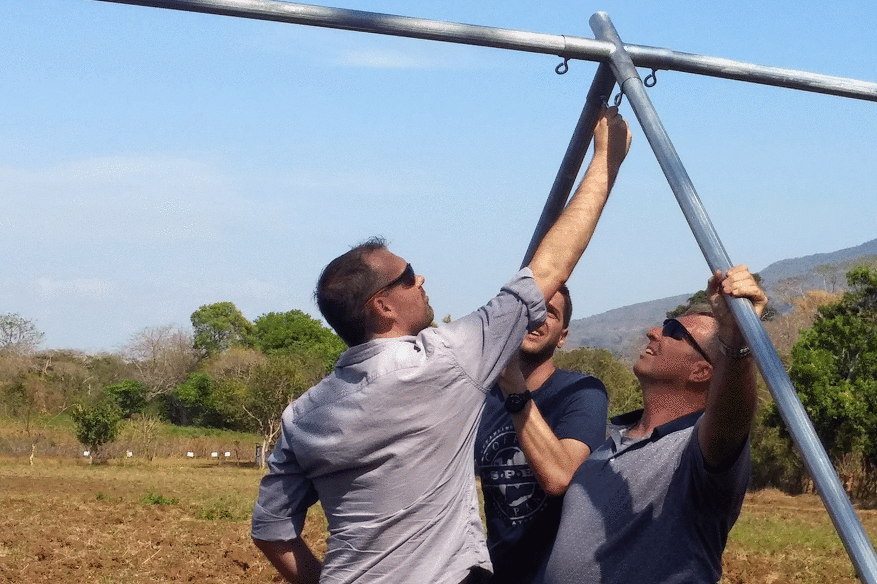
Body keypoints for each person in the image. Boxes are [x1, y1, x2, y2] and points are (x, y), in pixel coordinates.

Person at [249, 107, 631, 584]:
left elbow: (270, 530)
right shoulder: (444, 360)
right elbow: (550, 269)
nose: (421, 278)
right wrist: (606, 161)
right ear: (383, 307)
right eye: (408, 277)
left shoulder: (304, 414)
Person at [535, 264, 767, 584]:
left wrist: (737, 342)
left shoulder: (697, 451)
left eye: (674, 331)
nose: (654, 332)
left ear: (702, 371)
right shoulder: (609, 444)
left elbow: (732, 418)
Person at [475, 284, 609, 584]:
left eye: (550, 312)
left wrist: (513, 387)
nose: (537, 318)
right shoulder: (481, 399)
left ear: (562, 337)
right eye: (531, 309)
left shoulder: (582, 392)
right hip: (497, 573)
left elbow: (560, 476)